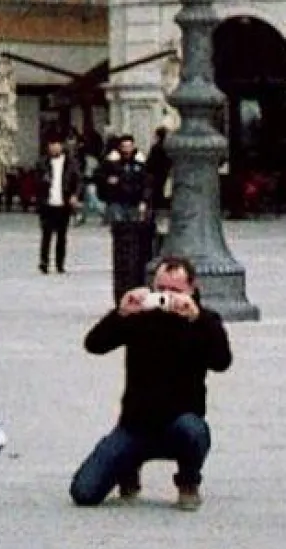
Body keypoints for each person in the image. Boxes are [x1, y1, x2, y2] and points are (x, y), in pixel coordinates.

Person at [69, 256, 232, 510]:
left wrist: (196, 319)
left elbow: (221, 362)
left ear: (191, 289)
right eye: (161, 289)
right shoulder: (140, 316)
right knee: (84, 492)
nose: (166, 296)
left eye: (175, 290)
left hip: (180, 422)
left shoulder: (205, 320)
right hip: (135, 425)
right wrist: (120, 313)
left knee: (194, 432)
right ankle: (128, 468)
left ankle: (188, 482)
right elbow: (94, 345)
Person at [36, 134, 81, 274]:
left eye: (57, 145)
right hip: (47, 203)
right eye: (52, 145)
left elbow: (77, 180)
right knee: (46, 234)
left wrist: (75, 195)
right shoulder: (42, 163)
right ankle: (44, 262)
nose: (54, 148)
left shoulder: (70, 163)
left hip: (64, 202)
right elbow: (37, 181)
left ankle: (59, 263)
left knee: (62, 235)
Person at [98, 134, 146, 223]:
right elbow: (99, 176)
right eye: (124, 147)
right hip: (117, 200)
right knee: (119, 226)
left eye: (129, 147)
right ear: (120, 147)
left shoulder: (139, 163)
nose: (127, 150)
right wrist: (107, 179)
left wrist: (144, 201)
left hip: (134, 202)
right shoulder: (112, 161)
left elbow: (145, 183)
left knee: (133, 227)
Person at [144, 126, 172, 219]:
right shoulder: (169, 148)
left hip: (156, 176)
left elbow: (149, 163)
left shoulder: (156, 148)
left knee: (155, 197)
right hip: (165, 174)